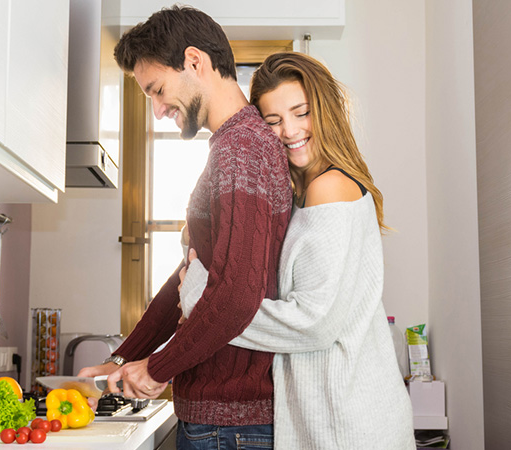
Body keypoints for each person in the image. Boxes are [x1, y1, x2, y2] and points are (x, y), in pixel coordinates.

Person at [77, 6, 292, 449]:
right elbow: (187, 277)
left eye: (157, 90)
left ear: (195, 61)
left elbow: (235, 297)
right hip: (223, 422)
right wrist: (125, 357)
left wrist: (157, 368)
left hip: (231, 426)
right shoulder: (233, 147)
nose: (156, 111)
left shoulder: (242, 149)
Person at [178, 52, 415, 450]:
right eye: (273, 121)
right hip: (337, 417)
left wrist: (201, 297)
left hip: (348, 424)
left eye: (301, 112)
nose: (289, 131)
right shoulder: (303, 193)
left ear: (325, 110)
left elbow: (312, 323)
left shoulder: (329, 187)